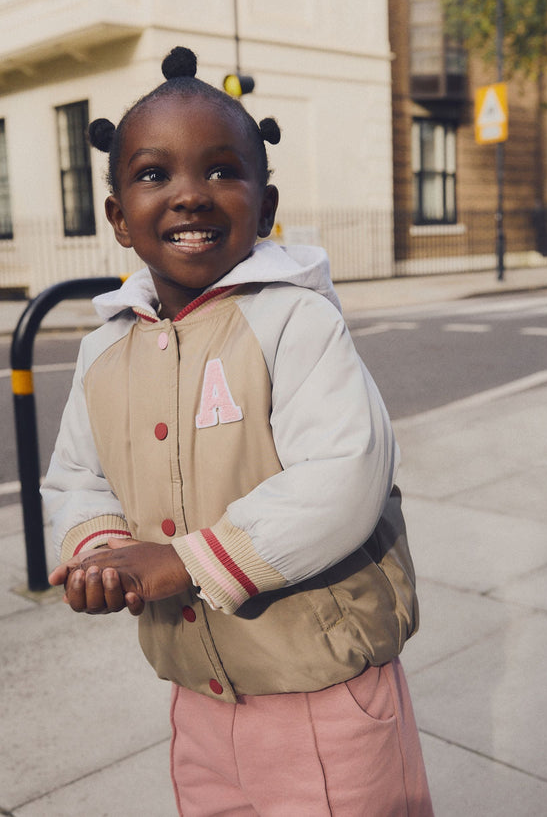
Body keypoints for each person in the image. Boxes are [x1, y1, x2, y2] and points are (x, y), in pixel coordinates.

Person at [44, 46, 433, 816]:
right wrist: (100, 555)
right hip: (199, 695)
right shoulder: (101, 352)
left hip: (321, 693)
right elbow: (78, 476)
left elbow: (341, 475)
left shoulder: (296, 320)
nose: (190, 195)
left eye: (222, 171)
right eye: (155, 175)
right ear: (119, 216)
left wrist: (185, 561)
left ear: (265, 202)